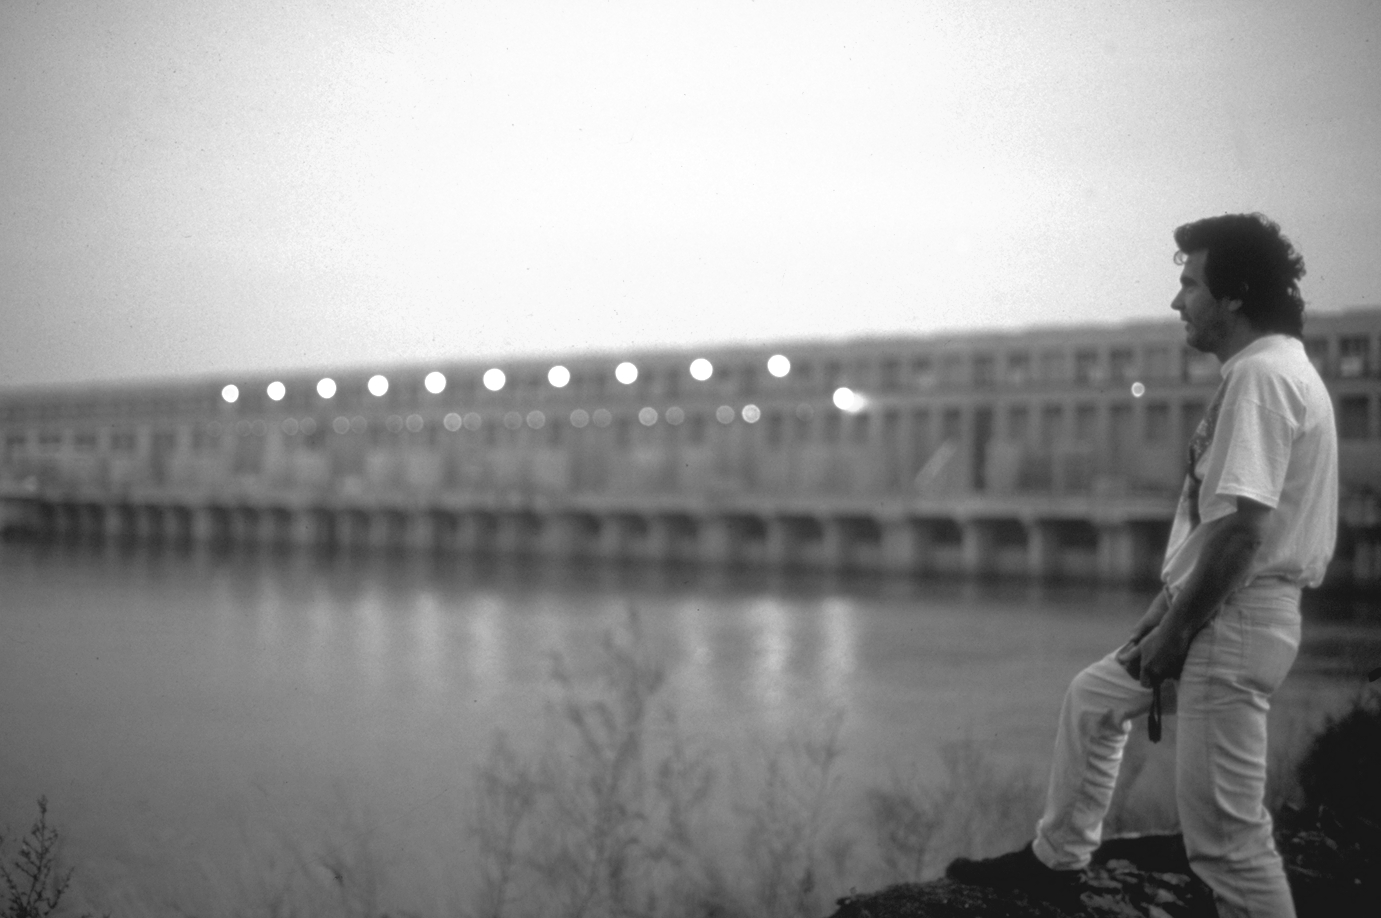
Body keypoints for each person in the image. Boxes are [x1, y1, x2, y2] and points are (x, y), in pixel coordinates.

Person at [946, 213, 1338, 918]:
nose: (1176, 300)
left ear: (1235, 294)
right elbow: (1219, 530)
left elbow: (1244, 533)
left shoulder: (1260, 379)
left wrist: (1175, 633)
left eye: (1189, 284)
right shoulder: (1276, 369)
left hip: (1233, 620)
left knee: (1227, 844)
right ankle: (1055, 860)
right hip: (1221, 609)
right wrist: (1160, 615)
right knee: (1094, 702)